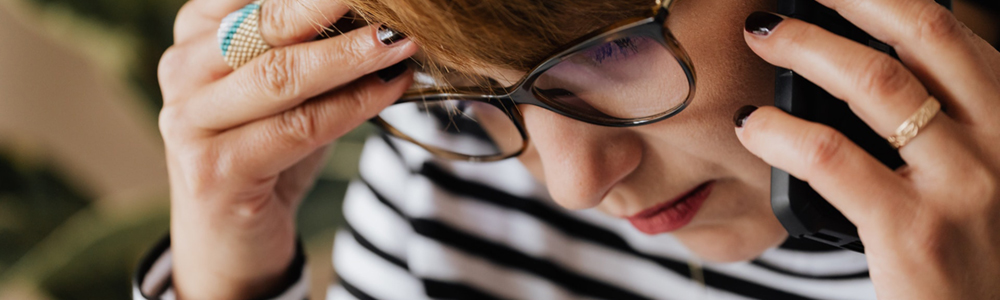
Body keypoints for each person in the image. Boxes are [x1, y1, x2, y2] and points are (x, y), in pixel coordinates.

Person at [135, 0, 1000, 298]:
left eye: (611, 48)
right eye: (461, 96)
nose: (575, 187)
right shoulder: (449, 170)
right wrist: (227, 274)